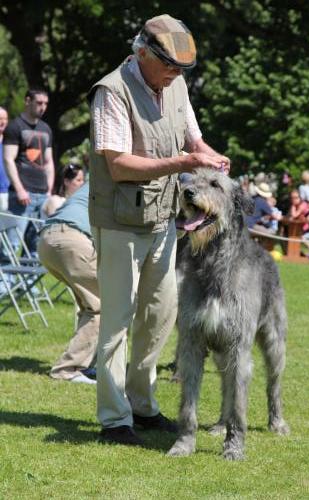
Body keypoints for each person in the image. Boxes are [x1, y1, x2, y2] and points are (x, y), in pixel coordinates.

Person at [88, 14, 231, 446]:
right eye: (169, 65)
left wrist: (211, 158)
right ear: (143, 52)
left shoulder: (177, 86)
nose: (175, 74)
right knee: (116, 320)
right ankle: (114, 420)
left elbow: (193, 140)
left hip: (164, 220)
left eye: (181, 69)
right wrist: (183, 165)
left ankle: (143, 406)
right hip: (118, 223)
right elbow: (118, 164)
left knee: (159, 316)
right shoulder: (111, 91)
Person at [38, 182, 99, 384]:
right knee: (103, 305)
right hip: (73, 238)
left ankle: (86, 364)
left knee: (88, 304)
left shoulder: (95, 177)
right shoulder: (118, 176)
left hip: (47, 239)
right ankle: (68, 369)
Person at [3, 88, 55, 256]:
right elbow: (8, 159)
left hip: (42, 196)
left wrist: (48, 191)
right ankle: (5, 283)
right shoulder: (15, 126)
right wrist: (19, 189)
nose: (43, 107)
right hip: (22, 196)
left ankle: (28, 283)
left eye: (46, 104)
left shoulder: (46, 128)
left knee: (36, 249)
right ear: (27, 101)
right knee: (11, 246)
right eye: (39, 103)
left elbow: (48, 162)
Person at [0, 106, 9, 212]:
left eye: (5, 119)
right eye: (0, 119)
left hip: (6, 192)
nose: (3, 122)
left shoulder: (11, 141)